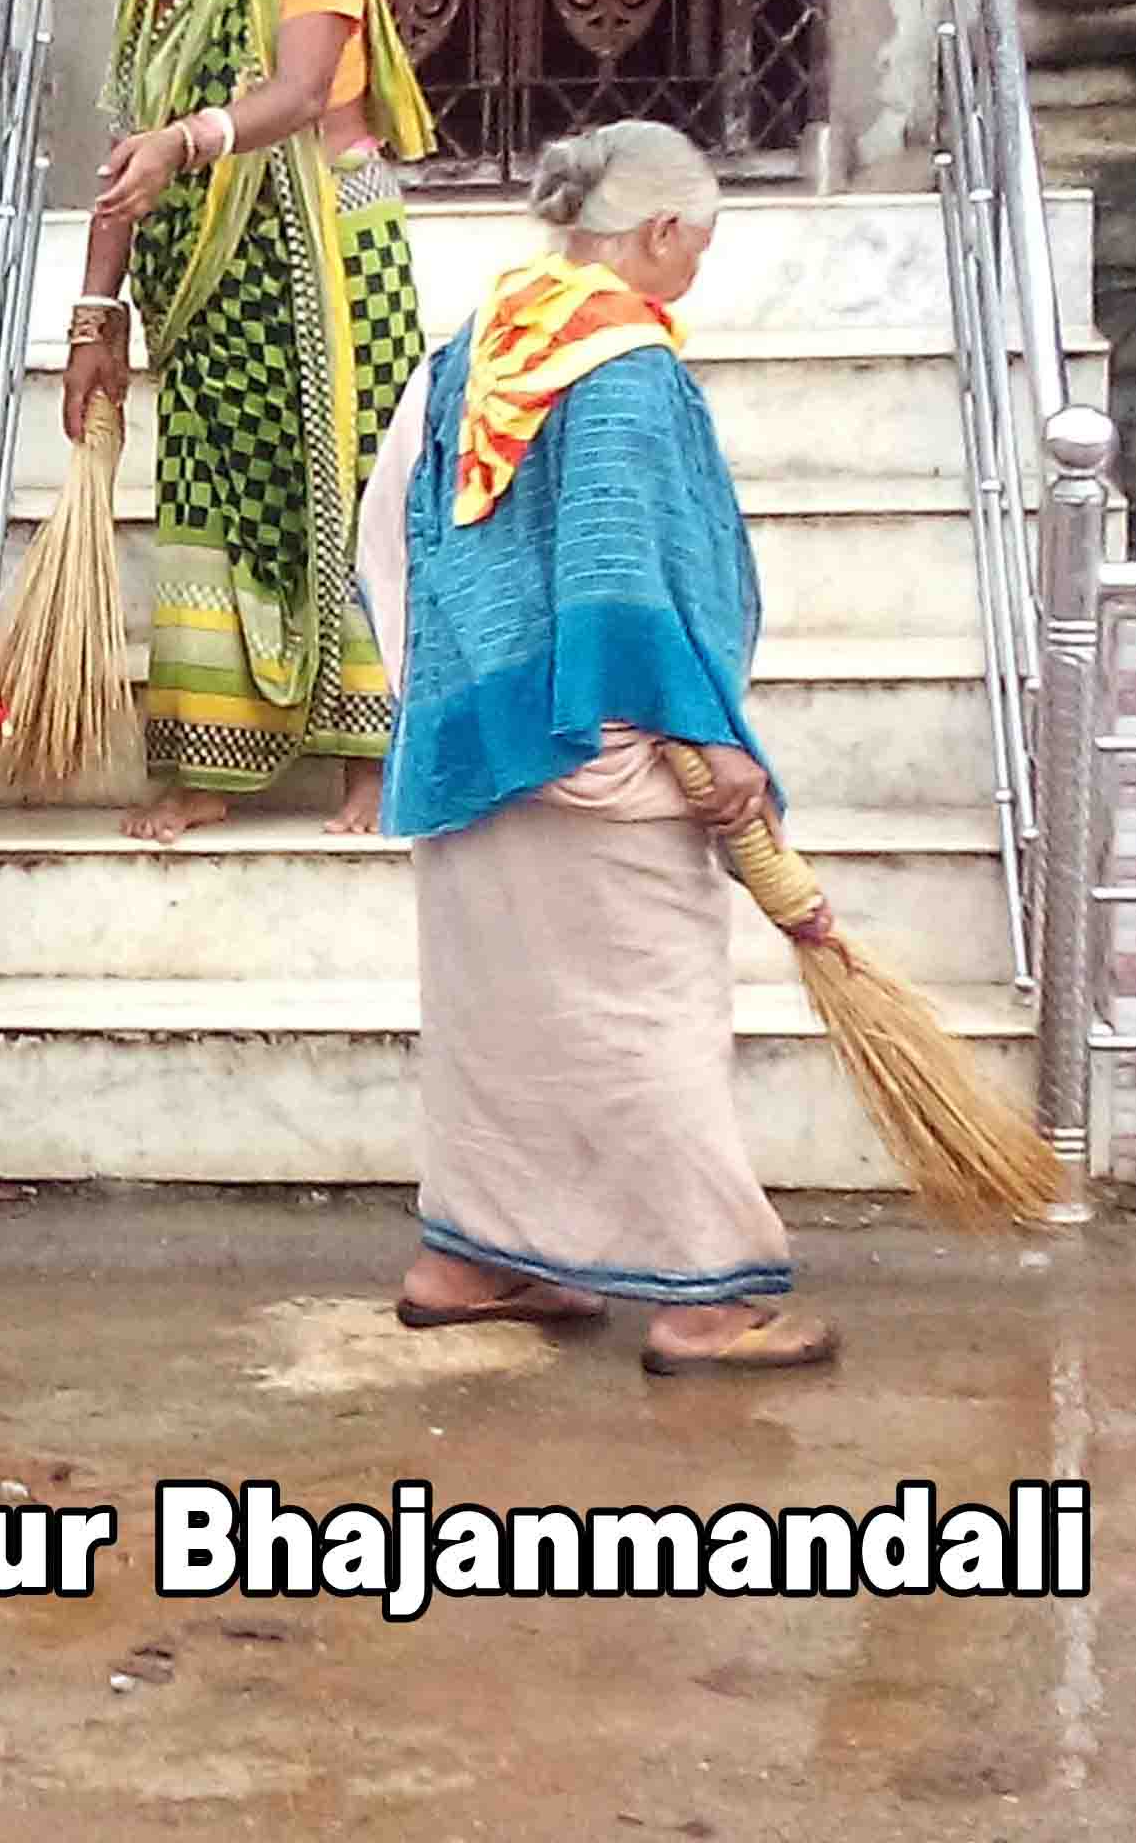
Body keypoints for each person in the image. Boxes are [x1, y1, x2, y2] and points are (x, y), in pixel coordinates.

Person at [359, 120, 837, 1378]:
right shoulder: (623, 366)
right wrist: (698, 728)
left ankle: (470, 1262)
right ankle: (704, 1298)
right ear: (663, 229)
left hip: (476, 736)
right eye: (701, 244)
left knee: (498, 1024)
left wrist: (440, 696)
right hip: (603, 745)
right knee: (650, 1017)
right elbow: (620, 572)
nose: (698, 269)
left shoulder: (475, 347)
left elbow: (386, 529)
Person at [65, 0, 435, 842]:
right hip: (205, 287)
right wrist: (94, 318)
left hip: (332, 259)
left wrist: (188, 141)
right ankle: (208, 767)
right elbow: (125, 158)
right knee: (209, 495)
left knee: (356, 484)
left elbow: (301, 91)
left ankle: (374, 759)